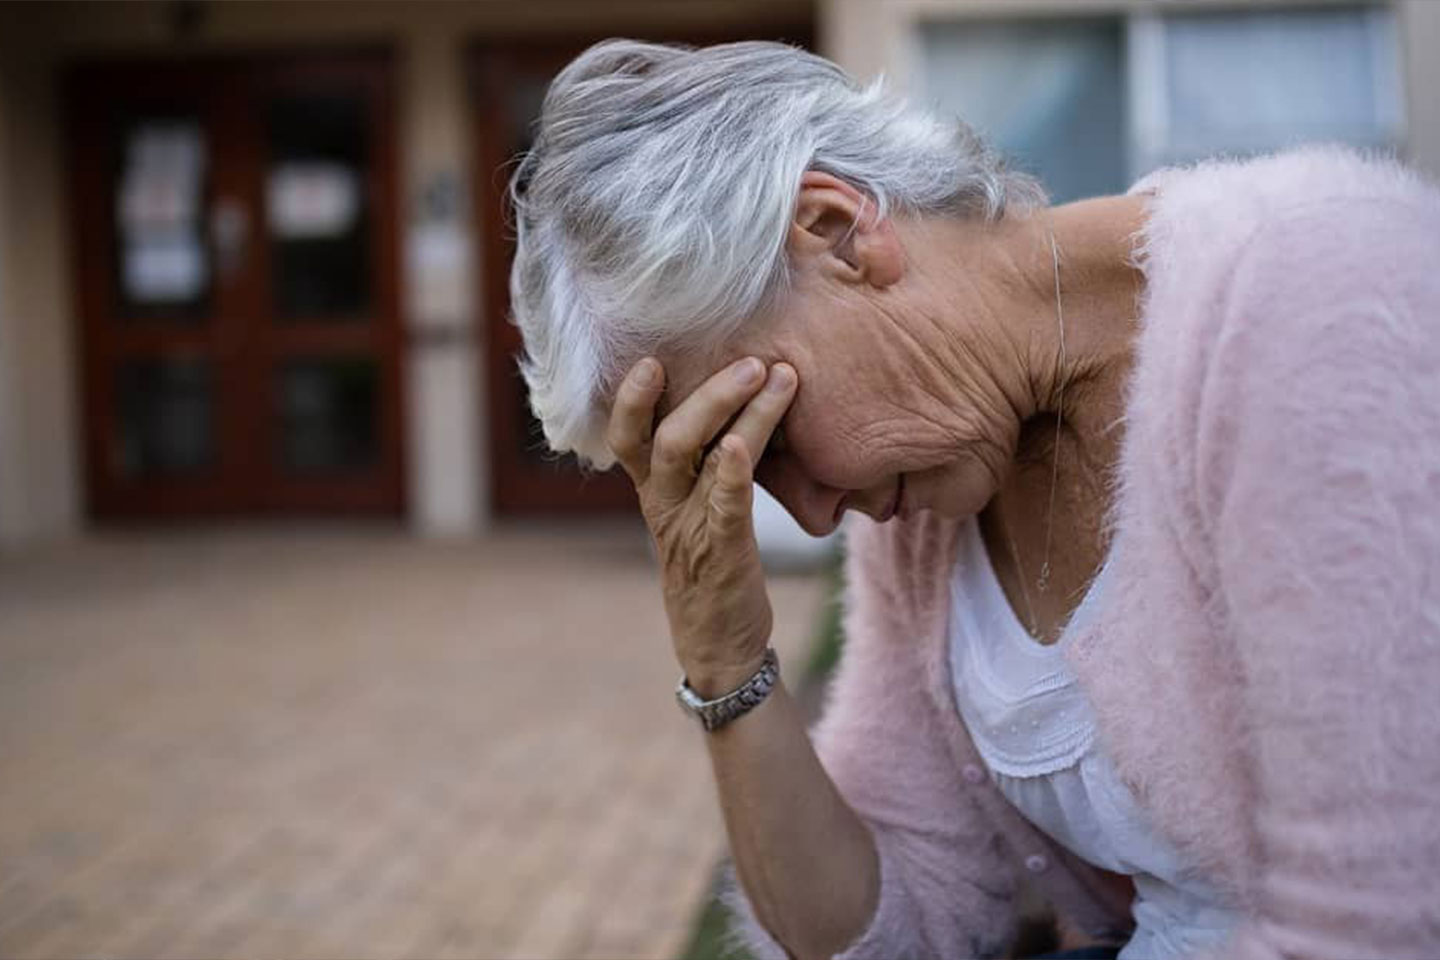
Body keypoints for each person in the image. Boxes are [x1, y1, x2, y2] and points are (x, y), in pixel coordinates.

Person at [508, 38, 1440, 960]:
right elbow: (883, 930)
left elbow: (1376, 925)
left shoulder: (1311, 298)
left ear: (836, 231)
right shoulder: (927, 496)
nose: (818, 515)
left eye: (772, 438)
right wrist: (722, 653)